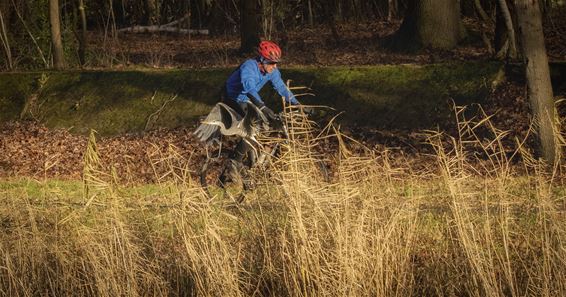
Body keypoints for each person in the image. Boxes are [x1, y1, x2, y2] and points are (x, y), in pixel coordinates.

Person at [220, 40, 301, 169]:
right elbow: (250, 89)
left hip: (247, 98)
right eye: (271, 63)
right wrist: (262, 107)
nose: (274, 66)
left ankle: (254, 160)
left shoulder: (272, 71)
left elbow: (282, 87)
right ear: (262, 60)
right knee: (254, 126)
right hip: (232, 98)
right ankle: (234, 163)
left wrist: (298, 105)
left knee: (268, 125)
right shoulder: (249, 66)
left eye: (276, 63)